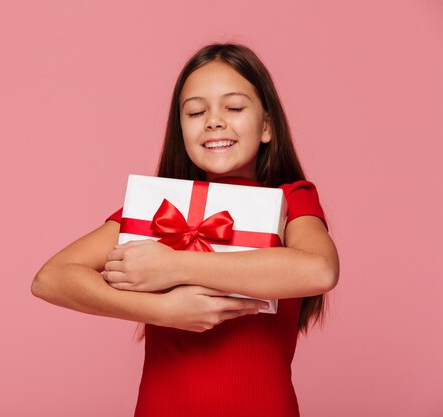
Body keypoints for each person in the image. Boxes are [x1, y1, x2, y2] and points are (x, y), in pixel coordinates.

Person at [31, 42, 340, 417]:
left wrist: (175, 266)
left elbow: (318, 270)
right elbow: (51, 278)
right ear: (181, 129)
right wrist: (163, 310)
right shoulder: (158, 207)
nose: (214, 120)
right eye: (195, 111)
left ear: (267, 125)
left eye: (235, 107)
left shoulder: (292, 199)